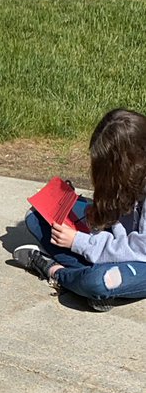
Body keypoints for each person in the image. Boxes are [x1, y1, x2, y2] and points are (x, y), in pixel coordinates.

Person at [13, 108, 146, 313]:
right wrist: (72, 205)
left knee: (99, 281)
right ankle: (86, 280)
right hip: (115, 245)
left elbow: (139, 251)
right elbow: (118, 224)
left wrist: (78, 242)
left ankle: (56, 271)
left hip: (140, 262)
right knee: (36, 217)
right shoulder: (133, 179)